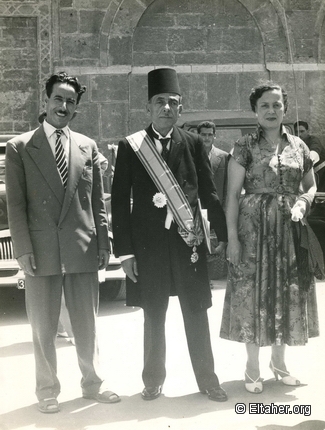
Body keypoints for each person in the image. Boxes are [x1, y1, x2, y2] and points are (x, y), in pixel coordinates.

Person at [5, 71, 120, 413]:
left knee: (87, 323)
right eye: (59, 99)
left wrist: (103, 242)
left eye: (71, 101)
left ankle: (93, 383)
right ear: (47, 100)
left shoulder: (87, 145)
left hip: (82, 247)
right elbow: (16, 204)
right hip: (40, 249)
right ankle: (47, 390)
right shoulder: (21, 146)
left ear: (76, 108)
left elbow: (97, 199)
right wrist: (22, 249)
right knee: (43, 326)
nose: (64, 106)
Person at [111, 68, 228, 402]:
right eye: (159, 102)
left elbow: (208, 192)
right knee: (153, 314)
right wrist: (126, 253)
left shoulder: (192, 143)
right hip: (147, 248)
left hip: (186, 243)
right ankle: (152, 380)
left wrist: (222, 235)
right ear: (148, 107)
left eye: (172, 102)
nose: (166, 108)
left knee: (195, 312)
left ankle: (208, 380)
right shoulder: (131, 146)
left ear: (181, 108)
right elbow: (119, 203)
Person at [220, 81, 323, 394]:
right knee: (252, 294)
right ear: (255, 110)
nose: (271, 110)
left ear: (285, 109)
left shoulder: (300, 146)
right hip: (254, 232)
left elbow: (311, 185)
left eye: (277, 105)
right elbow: (233, 195)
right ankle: (252, 368)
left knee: (286, 292)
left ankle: (279, 365)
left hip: (291, 233)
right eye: (265, 105)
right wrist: (233, 239)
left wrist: (304, 200)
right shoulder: (244, 146)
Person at [197, 121, 228, 208]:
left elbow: (227, 188)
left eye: (210, 135)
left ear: (214, 136)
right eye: (203, 135)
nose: (207, 138)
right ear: (198, 135)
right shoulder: (192, 156)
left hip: (217, 207)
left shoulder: (224, 157)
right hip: (198, 208)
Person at [294, 120, 325, 191]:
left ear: (307, 131)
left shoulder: (313, 140)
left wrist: (308, 160)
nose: (299, 134)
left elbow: (314, 152)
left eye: (302, 131)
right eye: (296, 132)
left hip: (321, 173)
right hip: (309, 174)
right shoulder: (294, 143)